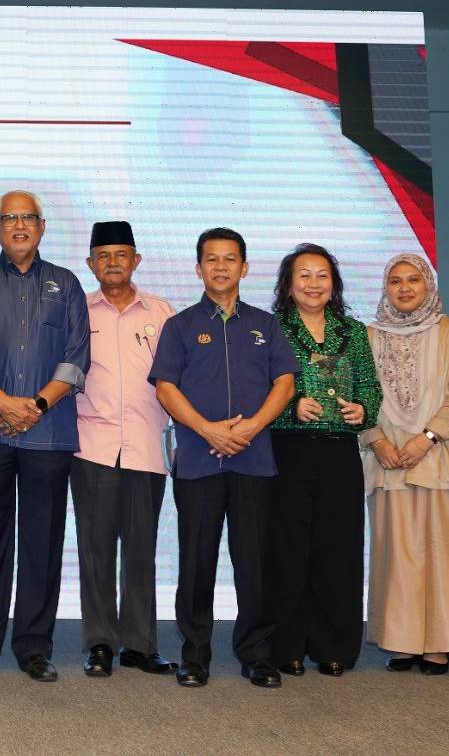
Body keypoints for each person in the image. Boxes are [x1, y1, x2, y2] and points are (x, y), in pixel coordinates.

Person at [0, 190, 88, 683]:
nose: (19, 225)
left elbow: (76, 358)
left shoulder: (67, 284)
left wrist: (36, 405)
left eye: (28, 217)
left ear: (43, 226)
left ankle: (34, 647)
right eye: (9, 218)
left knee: (42, 543)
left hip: (48, 434)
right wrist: (4, 403)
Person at [150, 227, 298, 689]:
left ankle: (256, 653)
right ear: (198, 269)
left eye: (229, 259)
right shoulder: (180, 326)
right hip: (197, 460)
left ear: (244, 268)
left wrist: (251, 427)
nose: (220, 267)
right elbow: (165, 386)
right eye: (211, 259)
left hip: (254, 462)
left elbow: (286, 384)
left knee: (253, 562)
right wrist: (207, 428)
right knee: (196, 562)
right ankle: (195, 655)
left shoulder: (266, 325)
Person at [361, 253, 449, 675]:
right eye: (395, 281)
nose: (405, 288)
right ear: (385, 288)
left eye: (414, 279)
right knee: (396, 553)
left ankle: (438, 645)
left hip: (441, 458)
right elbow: (357, 395)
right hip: (388, 461)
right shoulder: (369, 335)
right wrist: (376, 442)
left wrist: (427, 437)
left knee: (439, 552)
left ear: (428, 284)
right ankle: (402, 641)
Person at [266, 244, 381, 677]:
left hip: (338, 452)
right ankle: (287, 646)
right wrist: (291, 402)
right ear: (288, 284)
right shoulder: (271, 329)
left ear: (334, 283)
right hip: (288, 451)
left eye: (322, 275)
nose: (313, 284)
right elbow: (259, 384)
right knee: (288, 550)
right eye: (304, 275)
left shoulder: (352, 331)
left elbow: (370, 385)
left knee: (338, 550)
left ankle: (334, 646)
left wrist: (362, 411)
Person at [71, 220, 177, 678]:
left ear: (136, 260)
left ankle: (138, 644)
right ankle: (99, 643)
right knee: (95, 550)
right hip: (91, 447)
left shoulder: (162, 313)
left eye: (122, 255)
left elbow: (180, 379)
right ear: (91, 263)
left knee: (141, 549)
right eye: (104, 256)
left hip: (146, 447)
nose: (113, 263)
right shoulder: (77, 310)